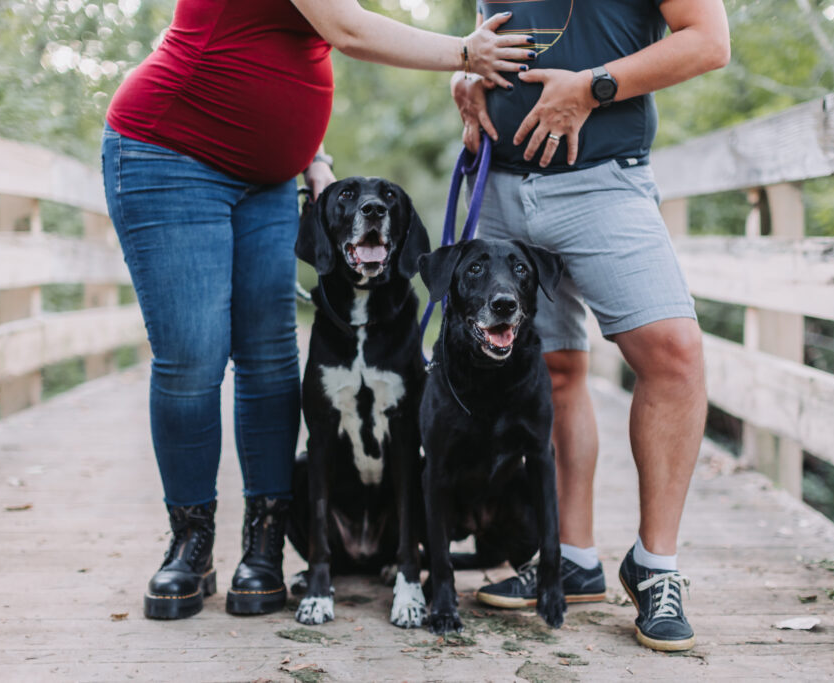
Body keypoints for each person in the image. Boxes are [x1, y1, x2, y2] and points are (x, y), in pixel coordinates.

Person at [102, 0, 534, 620]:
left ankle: (266, 540)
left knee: (270, 359)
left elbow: (284, 52)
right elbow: (347, 29)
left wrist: (314, 156)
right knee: (193, 357)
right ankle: (191, 544)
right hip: (172, 154)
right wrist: (467, 52)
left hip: (272, 179)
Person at [452, 0, 730, 651]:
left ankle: (656, 566)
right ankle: (570, 556)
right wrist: (462, 77)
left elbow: (708, 42)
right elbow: (492, 32)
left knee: (673, 356)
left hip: (604, 182)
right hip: (502, 184)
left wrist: (594, 87)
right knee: (550, 369)